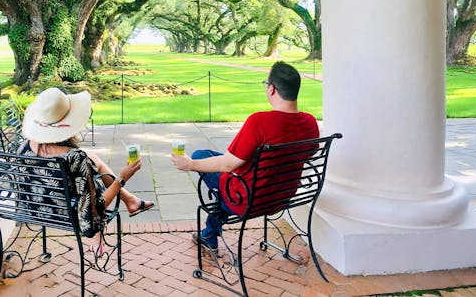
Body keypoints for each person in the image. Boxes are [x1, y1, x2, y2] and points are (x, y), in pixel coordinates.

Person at [171, 61, 319, 250]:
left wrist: (190, 165)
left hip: (248, 200)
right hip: (282, 196)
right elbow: (309, 154)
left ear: (272, 89)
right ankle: (208, 234)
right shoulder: (310, 122)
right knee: (214, 160)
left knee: (200, 156)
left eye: (266, 84)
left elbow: (227, 165)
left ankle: (209, 234)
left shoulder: (259, 122)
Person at [19, 87, 155, 252]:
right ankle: (126, 205)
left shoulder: (23, 148)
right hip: (69, 217)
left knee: (94, 159)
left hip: (33, 211)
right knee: (93, 174)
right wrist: (122, 178)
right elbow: (93, 213)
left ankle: (131, 200)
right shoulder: (76, 159)